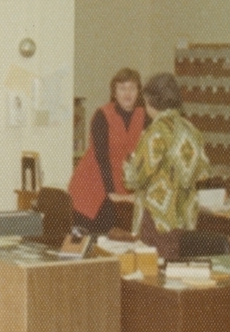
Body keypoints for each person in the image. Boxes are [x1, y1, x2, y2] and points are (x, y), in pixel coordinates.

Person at [123, 72, 210, 259]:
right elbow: (203, 172)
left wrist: (130, 163)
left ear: (150, 101)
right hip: (185, 214)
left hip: (159, 216)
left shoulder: (156, 131)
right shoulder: (192, 130)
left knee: (151, 273)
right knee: (175, 269)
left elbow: (137, 178)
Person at [68, 68, 149, 233]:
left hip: (121, 184)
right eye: (122, 88)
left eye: (132, 88)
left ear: (138, 91)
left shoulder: (144, 116)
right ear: (114, 92)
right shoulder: (102, 115)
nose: (127, 93)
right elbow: (102, 159)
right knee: (93, 240)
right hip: (92, 185)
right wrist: (112, 194)